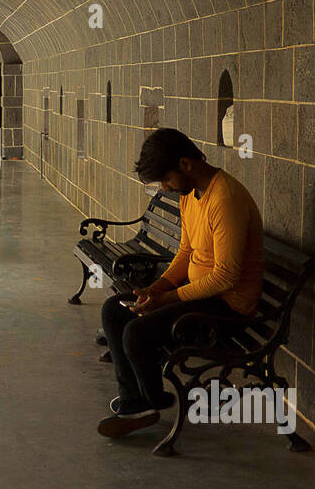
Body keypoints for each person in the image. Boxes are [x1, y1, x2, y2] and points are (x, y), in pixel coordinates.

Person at [97, 128, 264, 439]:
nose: (165, 187)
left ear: (186, 164)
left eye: (166, 179)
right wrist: (156, 288)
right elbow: (186, 253)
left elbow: (226, 276)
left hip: (228, 309)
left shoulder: (225, 198)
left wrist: (169, 298)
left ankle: (148, 402)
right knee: (114, 310)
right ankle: (140, 401)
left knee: (137, 331)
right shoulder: (191, 195)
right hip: (202, 297)